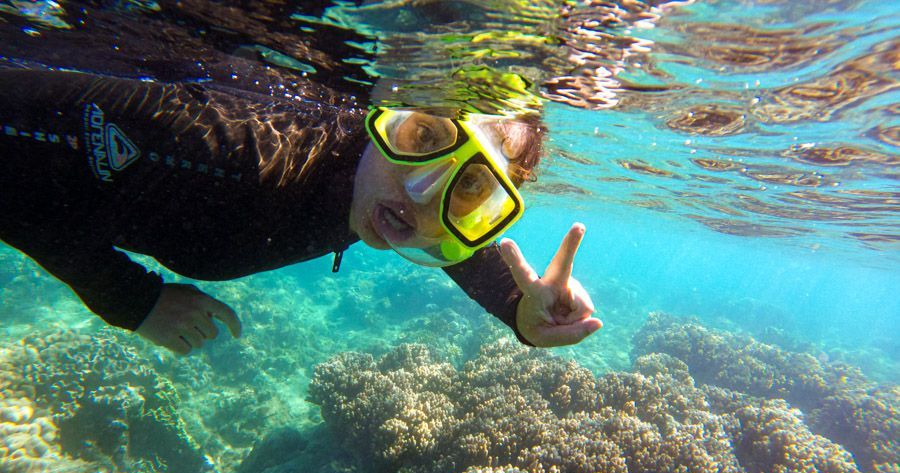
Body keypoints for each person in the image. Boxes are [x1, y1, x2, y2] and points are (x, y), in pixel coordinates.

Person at [0, 67, 601, 355]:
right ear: (385, 115)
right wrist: (132, 299)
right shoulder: (230, 152)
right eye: (423, 137)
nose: (422, 194)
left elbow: (445, 242)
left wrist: (518, 309)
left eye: (469, 187)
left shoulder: (383, 191)